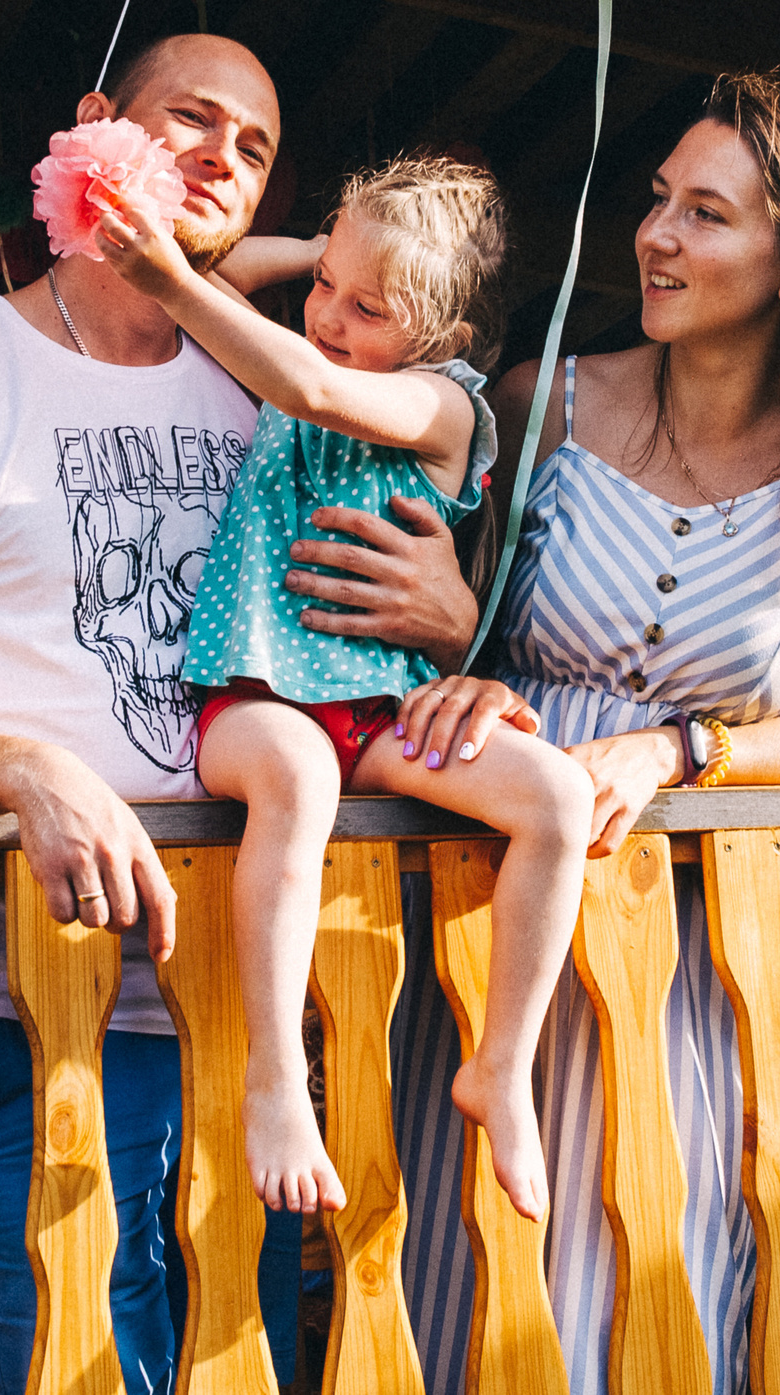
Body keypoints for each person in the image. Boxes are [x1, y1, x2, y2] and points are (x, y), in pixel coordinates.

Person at [0, 33, 479, 1394]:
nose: (224, 157)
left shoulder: (278, 385)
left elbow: (377, 634)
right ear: (97, 123)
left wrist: (457, 625)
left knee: (252, 1357)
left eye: (256, 147)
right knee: (77, 1355)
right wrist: (30, 769)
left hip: (254, 1002)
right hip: (29, 993)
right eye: (193, 119)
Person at [387, 69, 780, 1393]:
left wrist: (682, 749)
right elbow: (435, 638)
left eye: (706, 213)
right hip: (489, 915)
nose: (655, 235)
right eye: (659, 200)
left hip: (699, 946)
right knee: (457, 1278)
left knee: (663, 1272)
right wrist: (458, 660)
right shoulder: (538, 402)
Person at [97, 154, 594, 1221]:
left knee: (556, 797)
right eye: (323, 285)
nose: (325, 315)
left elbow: (305, 381)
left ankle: (501, 1064)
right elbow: (230, 278)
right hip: (256, 697)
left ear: (444, 337)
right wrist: (334, 254)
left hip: (378, 709)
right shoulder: (301, 352)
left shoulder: (438, 405)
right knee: (296, 776)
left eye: (368, 307)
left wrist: (170, 277)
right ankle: (278, 1074)